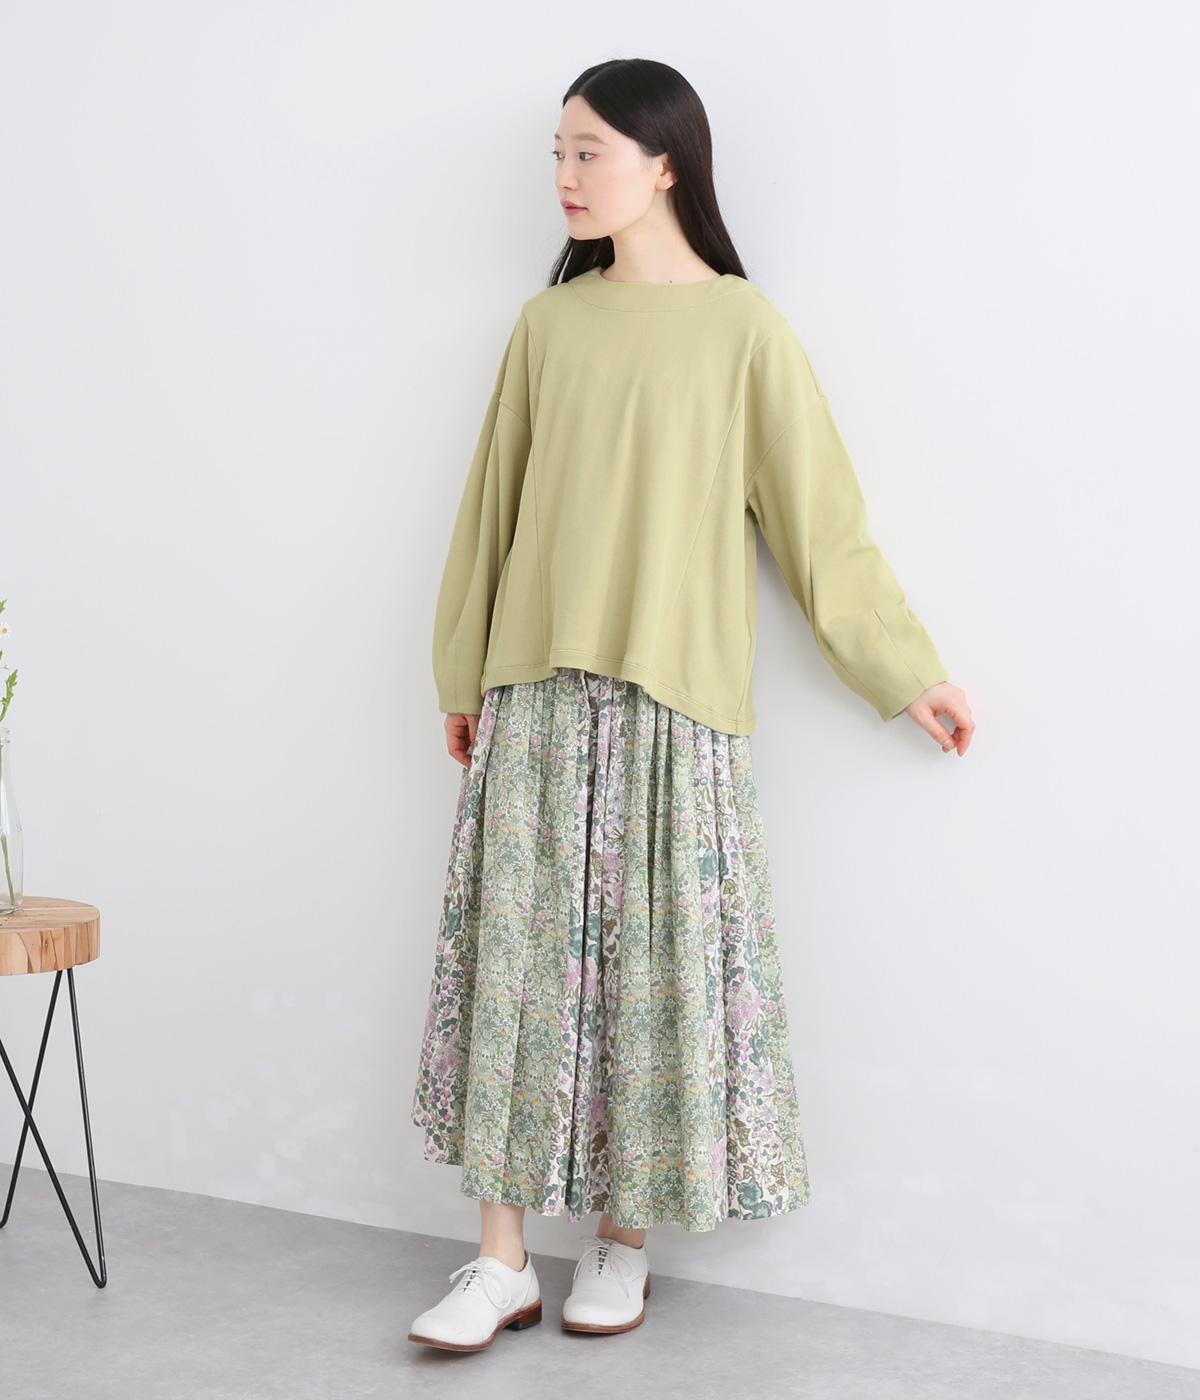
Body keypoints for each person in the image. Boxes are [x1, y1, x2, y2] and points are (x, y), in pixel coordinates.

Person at [407, 57, 974, 1354]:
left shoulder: (743, 329)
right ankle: (499, 1258)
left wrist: (906, 673)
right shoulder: (547, 327)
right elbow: (489, 514)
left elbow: (819, 525)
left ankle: (625, 1240)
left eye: (588, 152)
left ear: (666, 163)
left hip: (676, 705)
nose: (564, 176)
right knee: (514, 974)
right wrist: (462, 671)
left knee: (654, 978)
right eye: (557, 153)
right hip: (536, 692)